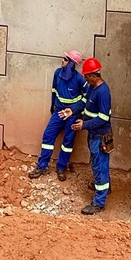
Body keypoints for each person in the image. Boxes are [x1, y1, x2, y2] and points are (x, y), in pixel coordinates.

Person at [27, 51, 85, 182]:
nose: (62, 61)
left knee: (68, 142)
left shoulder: (80, 79)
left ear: (71, 64)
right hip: (58, 112)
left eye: (65, 59)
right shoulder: (57, 73)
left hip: (72, 115)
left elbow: (86, 99)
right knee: (48, 135)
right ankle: (42, 166)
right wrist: (53, 105)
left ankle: (61, 168)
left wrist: (74, 110)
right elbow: (54, 90)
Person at [71, 57, 112, 215]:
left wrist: (84, 125)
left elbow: (103, 118)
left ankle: (99, 202)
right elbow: (84, 102)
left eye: (86, 76)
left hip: (100, 135)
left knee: (100, 166)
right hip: (93, 134)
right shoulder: (91, 87)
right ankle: (105, 187)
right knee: (97, 163)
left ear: (93, 75)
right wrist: (72, 110)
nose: (85, 79)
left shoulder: (103, 92)